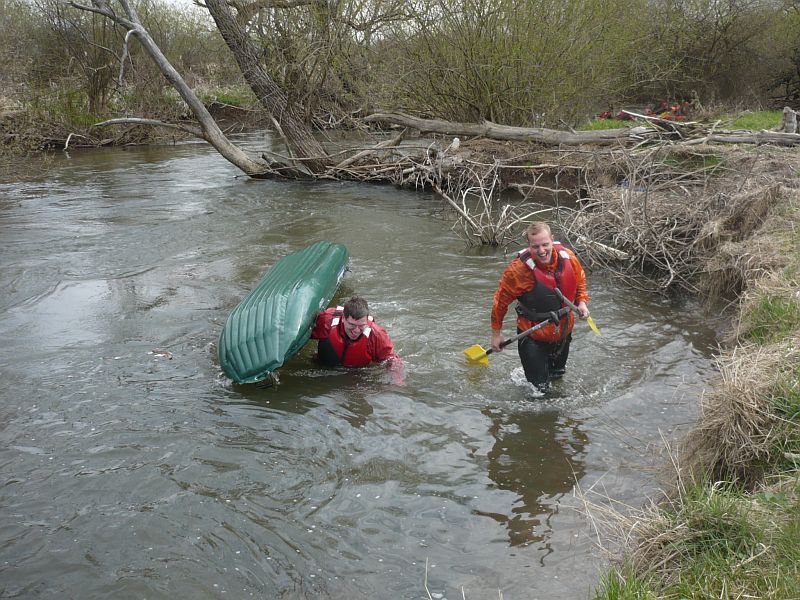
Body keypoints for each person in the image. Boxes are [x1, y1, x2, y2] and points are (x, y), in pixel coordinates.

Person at [490, 222, 590, 392]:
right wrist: (496, 334)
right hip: (532, 338)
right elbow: (500, 302)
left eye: (545, 244)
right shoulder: (518, 272)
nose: (542, 251)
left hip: (563, 333)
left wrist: (582, 303)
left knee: (557, 377)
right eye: (536, 246)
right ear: (529, 246)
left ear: (552, 240)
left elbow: (580, 281)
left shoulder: (569, 258)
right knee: (539, 392)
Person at [311, 296, 404, 384]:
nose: (356, 331)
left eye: (361, 326)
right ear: (343, 318)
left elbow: (392, 360)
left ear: (367, 321)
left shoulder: (377, 334)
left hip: (358, 374)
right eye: (352, 325)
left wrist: (396, 381)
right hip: (323, 368)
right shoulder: (326, 321)